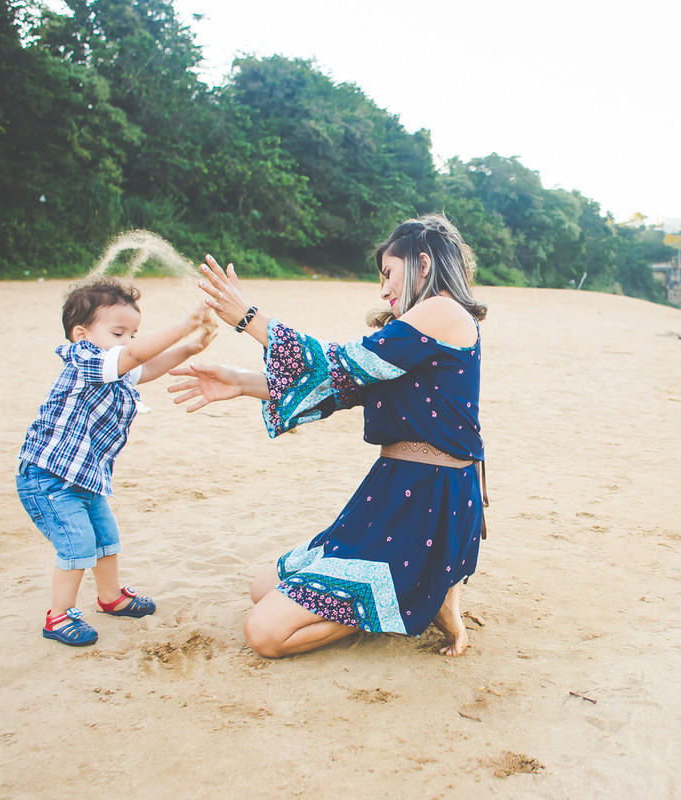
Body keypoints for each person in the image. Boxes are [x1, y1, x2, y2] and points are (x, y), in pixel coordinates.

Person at [168, 214, 487, 658]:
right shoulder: (409, 333)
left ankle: (408, 600)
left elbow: (343, 364)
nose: (384, 290)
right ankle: (407, 598)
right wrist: (240, 382)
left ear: (424, 264)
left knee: (263, 633)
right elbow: (342, 386)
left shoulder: (442, 310)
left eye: (389, 274)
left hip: (427, 502)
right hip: (391, 493)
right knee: (263, 588)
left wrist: (249, 318)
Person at [17, 277, 216, 646]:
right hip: (48, 479)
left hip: (85, 478)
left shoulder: (116, 370)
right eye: (119, 332)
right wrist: (185, 325)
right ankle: (58, 616)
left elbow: (148, 367)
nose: (129, 341)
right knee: (77, 545)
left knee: (106, 540)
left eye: (134, 333)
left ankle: (110, 598)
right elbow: (136, 357)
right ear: (81, 334)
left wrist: (192, 346)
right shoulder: (85, 360)